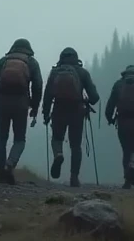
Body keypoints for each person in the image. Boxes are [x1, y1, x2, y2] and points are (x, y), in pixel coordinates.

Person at [0, 38, 44, 185]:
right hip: (21, 103)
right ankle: (10, 164)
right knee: (19, 139)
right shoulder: (31, 62)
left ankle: (1, 174)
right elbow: (37, 85)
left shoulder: (3, 60)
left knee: (1, 137)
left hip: (2, 102)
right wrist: (35, 106)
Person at [41, 47, 99, 187]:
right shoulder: (82, 73)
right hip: (77, 111)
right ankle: (74, 177)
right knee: (76, 145)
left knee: (57, 138)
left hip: (59, 110)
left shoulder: (55, 72)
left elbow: (48, 95)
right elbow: (95, 98)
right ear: (76, 58)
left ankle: (58, 154)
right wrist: (86, 101)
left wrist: (46, 114)